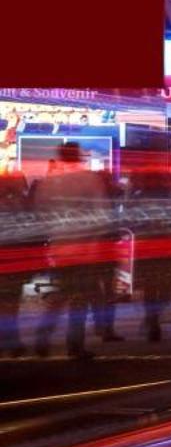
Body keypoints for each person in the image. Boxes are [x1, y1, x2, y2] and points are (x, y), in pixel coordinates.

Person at [31, 142, 115, 359]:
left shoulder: (49, 183)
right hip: (85, 246)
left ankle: (43, 337)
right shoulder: (89, 179)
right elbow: (102, 212)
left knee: (59, 295)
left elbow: (41, 212)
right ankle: (74, 344)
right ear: (78, 156)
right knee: (80, 298)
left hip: (61, 245)